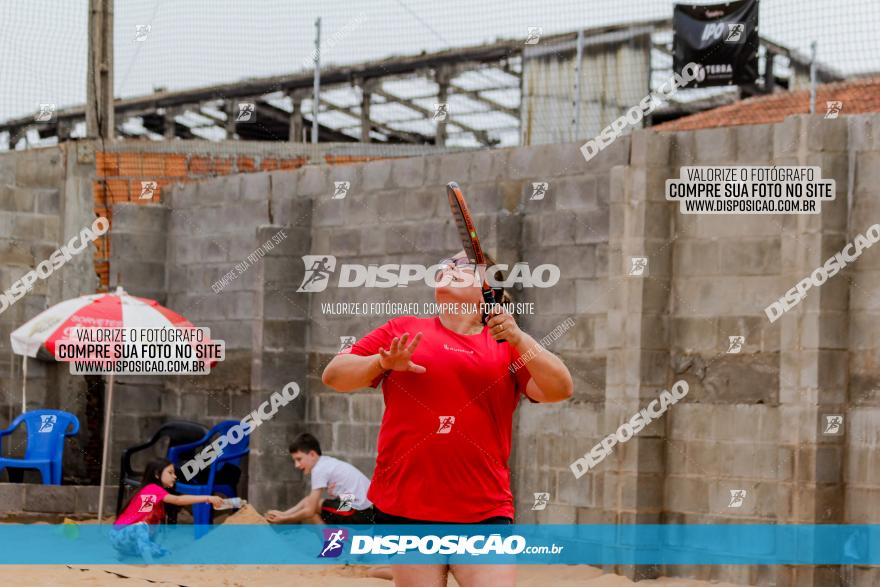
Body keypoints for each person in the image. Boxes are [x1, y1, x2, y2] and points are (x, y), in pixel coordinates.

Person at [321, 250, 574, 587]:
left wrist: (518, 335)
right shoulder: (403, 329)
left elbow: (560, 388)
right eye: (446, 264)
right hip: (406, 508)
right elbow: (334, 375)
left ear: (489, 288)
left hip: (483, 509)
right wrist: (381, 364)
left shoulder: (506, 345)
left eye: (463, 265)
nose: (450, 267)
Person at [111, 458, 224, 561]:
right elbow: (177, 500)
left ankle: (130, 557)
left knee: (166, 553)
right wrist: (208, 498)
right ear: (156, 474)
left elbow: (147, 520)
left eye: (174, 473)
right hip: (120, 536)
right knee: (142, 527)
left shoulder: (153, 494)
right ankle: (149, 563)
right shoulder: (152, 489)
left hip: (130, 544)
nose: (174, 476)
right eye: (170, 472)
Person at [266, 432, 375, 525]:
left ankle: (332, 547)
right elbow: (308, 501)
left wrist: (284, 519)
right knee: (313, 504)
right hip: (361, 506)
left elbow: (309, 510)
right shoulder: (325, 462)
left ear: (312, 454)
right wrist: (283, 513)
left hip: (359, 511)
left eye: (299, 459)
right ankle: (337, 544)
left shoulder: (319, 469)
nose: (296, 465)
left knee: (311, 512)